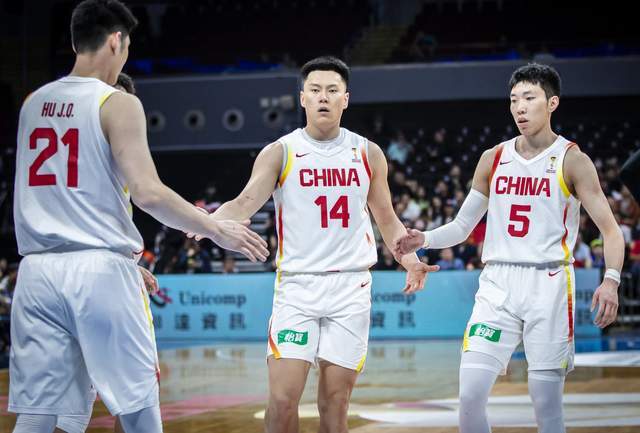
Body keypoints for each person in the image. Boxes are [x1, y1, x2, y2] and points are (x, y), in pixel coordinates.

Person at [10, 2, 268, 433]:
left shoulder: (31, 103)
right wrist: (214, 228)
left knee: (39, 413)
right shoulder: (117, 102)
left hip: (36, 274)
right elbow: (148, 193)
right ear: (116, 41)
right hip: (97, 271)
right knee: (138, 405)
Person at [192, 56, 438, 433]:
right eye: (316, 90)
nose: (324, 97)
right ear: (302, 98)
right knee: (282, 401)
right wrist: (205, 222)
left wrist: (411, 260)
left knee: (335, 405)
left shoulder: (368, 153)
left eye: (332, 90)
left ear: (346, 99)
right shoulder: (281, 151)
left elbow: (387, 219)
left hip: (351, 287)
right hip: (297, 287)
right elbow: (243, 203)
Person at [394, 63, 624, 433]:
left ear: (552, 103)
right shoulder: (494, 157)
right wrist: (426, 239)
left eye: (529, 98)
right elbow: (463, 226)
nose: (520, 107)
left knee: (546, 406)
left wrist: (611, 280)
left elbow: (611, 231)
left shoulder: (572, 160)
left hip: (549, 283)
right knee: (470, 395)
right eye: (514, 99)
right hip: (498, 283)